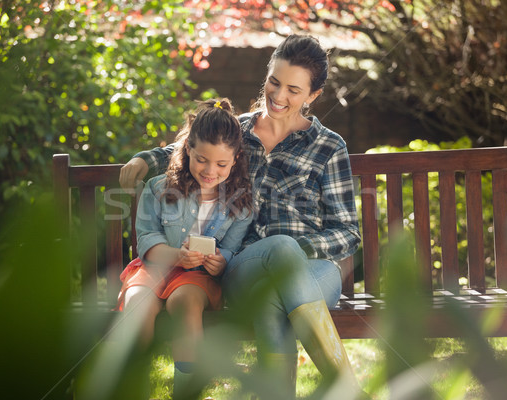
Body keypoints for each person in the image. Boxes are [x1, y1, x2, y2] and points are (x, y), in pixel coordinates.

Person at [120, 34, 365, 398]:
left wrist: (294, 251)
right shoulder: (239, 130)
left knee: (274, 288)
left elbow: (347, 232)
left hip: (315, 269)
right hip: (243, 263)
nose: (279, 96)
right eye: (274, 82)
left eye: (294, 90)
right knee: (271, 272)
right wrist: (145, 158)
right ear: (266, 75)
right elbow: (189, 149)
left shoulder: (329, 147)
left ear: (313, 96)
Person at [116, 98, 253, 399]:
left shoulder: (240, 206)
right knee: (137, 304)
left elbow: (231, 249)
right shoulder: (159, 188)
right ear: (188, 148)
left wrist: (221, 261)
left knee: (187, 305)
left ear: (236, 159)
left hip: (197, 277)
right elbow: (147, 240)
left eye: (221, 164)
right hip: (155, 266)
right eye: (202, 159)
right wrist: (176, 255)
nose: (210, 171)